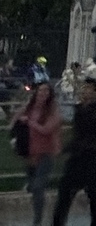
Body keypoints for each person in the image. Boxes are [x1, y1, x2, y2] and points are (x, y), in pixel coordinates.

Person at [51, 78, 96, 226]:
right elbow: (76, 133)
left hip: (93, 161)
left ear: (95, 92)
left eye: (88, 88)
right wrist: (66, 149)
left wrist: (94, 146)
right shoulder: (79, 109)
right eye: (83, 88)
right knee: (64, 196)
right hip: (77, 159)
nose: (84, 91)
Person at [12, 78, 62, 226]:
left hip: (45, 153)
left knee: (38, 186)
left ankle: (37, 220)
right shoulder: (28, 108)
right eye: (41, 90)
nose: (43, 93)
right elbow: (14, 122)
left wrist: (30, 123)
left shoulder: (53, 111)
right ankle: (37, 213)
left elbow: (47, 129)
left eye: (46, 91)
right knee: (34, 188)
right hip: (30, 153)